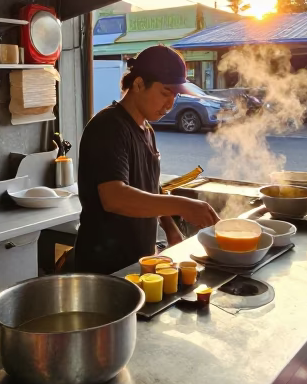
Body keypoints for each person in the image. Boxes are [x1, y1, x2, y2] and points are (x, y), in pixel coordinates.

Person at [74, 45, 220, 274]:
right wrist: (182, 206)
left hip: (138, 262)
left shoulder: (146, 129)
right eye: (165, 93)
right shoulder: (109, 126)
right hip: (104, 269)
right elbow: (115, 197)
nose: (170, 104)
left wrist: (170, 227)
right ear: (139, 84)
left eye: (175, 95)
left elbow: (151, 186)